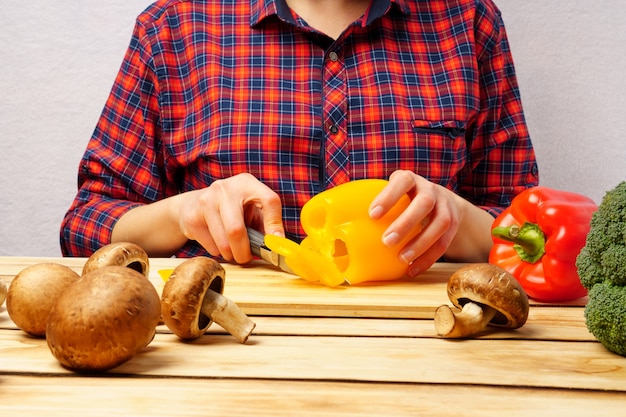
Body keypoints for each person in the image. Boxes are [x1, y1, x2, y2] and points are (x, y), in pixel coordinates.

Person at [60, 0, 539, 279]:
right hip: (218, 351)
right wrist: (182, 213)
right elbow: (83, 228)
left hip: (429, 344)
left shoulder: (469, 21)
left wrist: (460, 220)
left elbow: (528, 237)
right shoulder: (174, 26)